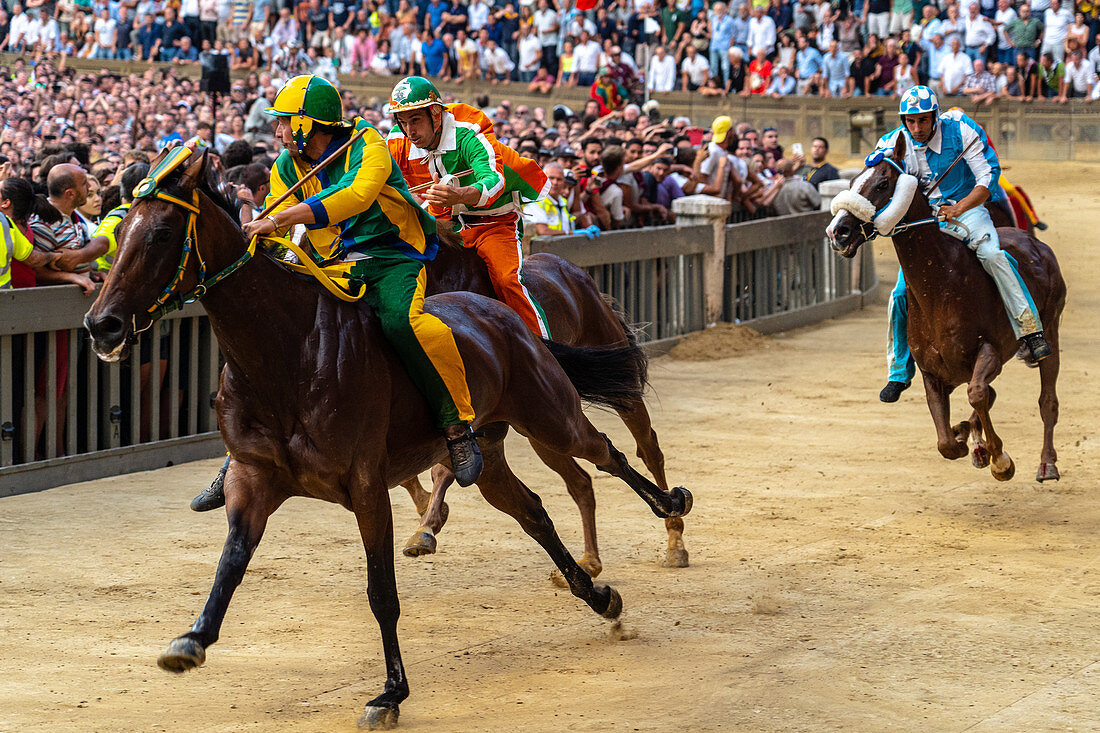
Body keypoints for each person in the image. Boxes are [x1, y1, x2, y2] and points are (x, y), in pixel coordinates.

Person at [191, 75, 482, 512]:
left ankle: (457, 427)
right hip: (333, 265)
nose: (277, 132)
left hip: (392, 260)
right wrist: (252, 225)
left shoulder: (370, 144)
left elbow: (355, 196)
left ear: (309, 124)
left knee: (404, 322)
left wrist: (279, 217)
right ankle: (238, 456)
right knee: (276, 335)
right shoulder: (286, 165)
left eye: (285, 122)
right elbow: (275, 222)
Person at [876, 86, 1050, 404]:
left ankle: (1030, 330)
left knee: (993, 255)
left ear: (935, 116)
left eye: (923, 121)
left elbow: (988, 176)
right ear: (903, 120)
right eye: (911, 122)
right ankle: (899, 371)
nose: (917, 129)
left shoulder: (963, 130)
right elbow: (879, 174)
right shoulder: (892, 141)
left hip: (968, 213)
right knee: (901, 291)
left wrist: (958, 208)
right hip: (926, 226)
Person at [385, 76, 551, 341]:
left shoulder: (469, 130)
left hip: (491, 223)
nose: (409, 131)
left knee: (508, 280)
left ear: (436, 114)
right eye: (403, 122)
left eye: (415, 120)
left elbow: (494, 180)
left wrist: (459, 194)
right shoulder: (397, 142)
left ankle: (547, 351)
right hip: (441, 224)